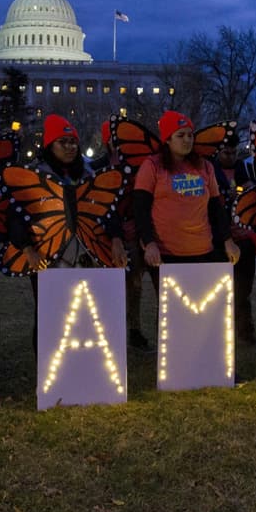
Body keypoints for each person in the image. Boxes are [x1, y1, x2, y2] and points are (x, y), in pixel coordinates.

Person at [7, 115, 128, 344]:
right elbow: (15, 216)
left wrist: (116, 239)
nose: (70, 147)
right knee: (48, 313)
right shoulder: (34, 176)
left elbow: (107, 210)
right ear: (50, 145)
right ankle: (45, 367)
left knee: (88, 310)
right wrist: (27, 249)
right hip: (47, 254)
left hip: (86, 254)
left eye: (73, 142)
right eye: (63, 142)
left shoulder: (88, 174)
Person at [134, 111, 239, 271]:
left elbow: (216, 208)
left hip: (203, 251)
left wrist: (228, 240)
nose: (187, 140)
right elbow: (140, 209)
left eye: (190, 135)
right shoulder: (152, 166)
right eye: (181, 135)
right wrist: (149, 243)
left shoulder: (205, 166)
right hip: (165, 254)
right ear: (167, 139)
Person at [96, 119, 153, 350]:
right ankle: (113, 330)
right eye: (113, 140)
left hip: (136, 231)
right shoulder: (100, 168)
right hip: (109, 234)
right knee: (113, 286)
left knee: (135, 285)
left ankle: (134, 328)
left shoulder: (140, 166)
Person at [214, 135, 256, 344]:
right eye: (226, 152)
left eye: (233, 152)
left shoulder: (244, 170)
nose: (230, 157)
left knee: (243, 290)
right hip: (220, 239)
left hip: (243, 239)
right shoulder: (211, 172)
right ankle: (220, 333)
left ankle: (245, 333)